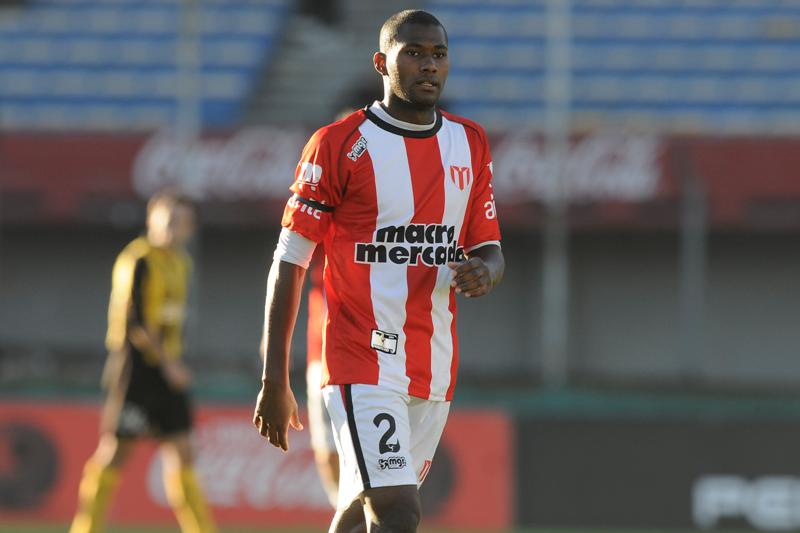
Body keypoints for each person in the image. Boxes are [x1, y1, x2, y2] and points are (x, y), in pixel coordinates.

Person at [253, 9, 504, 533]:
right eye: (413, 53)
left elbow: (490, 248)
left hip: (432, 364)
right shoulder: (337, 144)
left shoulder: (469, 143)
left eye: (437, 55)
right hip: (361, 357)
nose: (428, 66)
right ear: (382, 63)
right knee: (398, 511)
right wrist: (274, 376)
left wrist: (486, 272)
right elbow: (290, 260)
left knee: (358, 508)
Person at [70, 190, 216, 533]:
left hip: (168, 369)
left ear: (190, 228)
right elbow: (135, 322)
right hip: (136, 369)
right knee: (116, 451)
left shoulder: (181, 263)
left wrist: (173, 362)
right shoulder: (137, 260)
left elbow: (169, 320)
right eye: (167, 219)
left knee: (183, 453)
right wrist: (170, 365)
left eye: (180, 221)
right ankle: (84, 528)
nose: (172, 227)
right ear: (151, 219)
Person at [305, 248, 341, 508]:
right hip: (321, 358)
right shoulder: (320, 232)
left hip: (370, 360)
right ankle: (341, 509)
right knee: (326, 446)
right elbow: (287, 266)